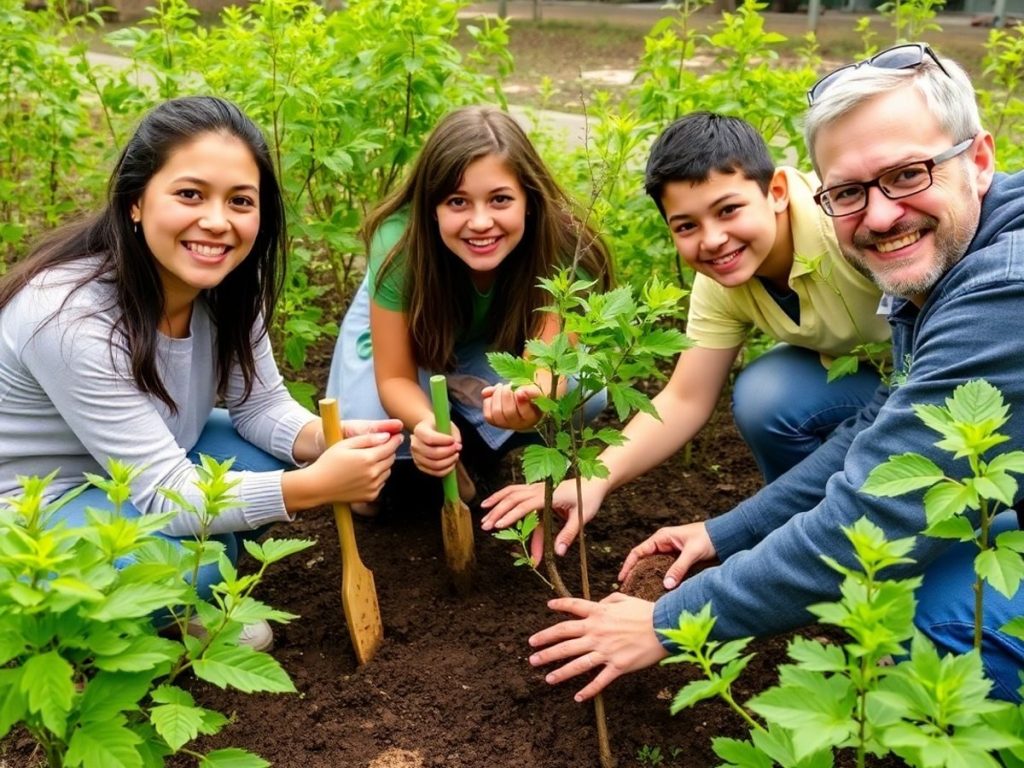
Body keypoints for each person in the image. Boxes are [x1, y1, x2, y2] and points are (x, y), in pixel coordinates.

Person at [517, 45, 1024, 703]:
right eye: (849, 191)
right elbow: (874, 442)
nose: (879, 215)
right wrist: (725, 533)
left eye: (908, 174)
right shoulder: (939, 258)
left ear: (978, 160)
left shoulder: (998, 290)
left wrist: (670, 622)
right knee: (780, 408)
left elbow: (878, 510)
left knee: (916, 625)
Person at [0, 96, 404, 650]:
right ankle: (135, 616)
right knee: (204, 561)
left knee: (264, 459)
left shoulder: (225, 287)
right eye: (190, 194)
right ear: (135, 201)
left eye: (240, 200)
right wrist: (310, 487)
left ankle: (177, 592)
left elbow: (261, 406)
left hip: (135, 476)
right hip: (39, 511)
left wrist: (323, 441)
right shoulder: (68, 316)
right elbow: (167, 493)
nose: (216, 222)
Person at [481, 111, 890, 558]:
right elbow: (685, 398)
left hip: (933, 374)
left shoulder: (848, 225)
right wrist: (592, 479)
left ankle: (853, 525)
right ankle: (813, 539)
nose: (712, 239)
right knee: (765, 396)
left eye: (728, 210)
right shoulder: (719, 279)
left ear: (774, 192)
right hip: (869, 375)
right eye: (686, 226)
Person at [325, 106, 613, 513]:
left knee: (587, 393)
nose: (480, 222)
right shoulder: (399, 248)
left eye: (499, 200)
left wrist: (530, 401)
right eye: (458, 201)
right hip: (409, 336)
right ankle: (449, 442)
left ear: (528, 200)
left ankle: (472, 449)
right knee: (367, 489)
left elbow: (547, 367)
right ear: (430, 207)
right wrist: (428, 427)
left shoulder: (564, 248)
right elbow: (393, 378)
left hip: (485, 340)